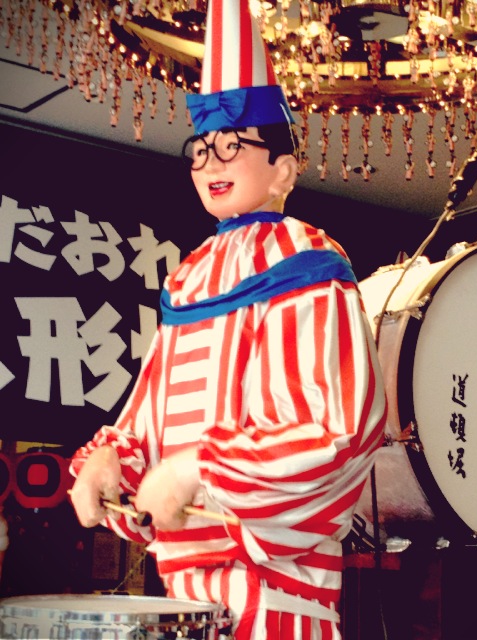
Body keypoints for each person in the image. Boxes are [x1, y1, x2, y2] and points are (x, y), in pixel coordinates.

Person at [69, 0, 387, 637]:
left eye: (233, 147)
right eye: (202, 151)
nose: (212, 164)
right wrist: (111, 462)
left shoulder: (307, 257)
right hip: (180, 595)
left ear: (283, 170)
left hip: (279, 598)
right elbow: (149, 412)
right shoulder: (189, 276)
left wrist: (198, 469)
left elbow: (338, 428)